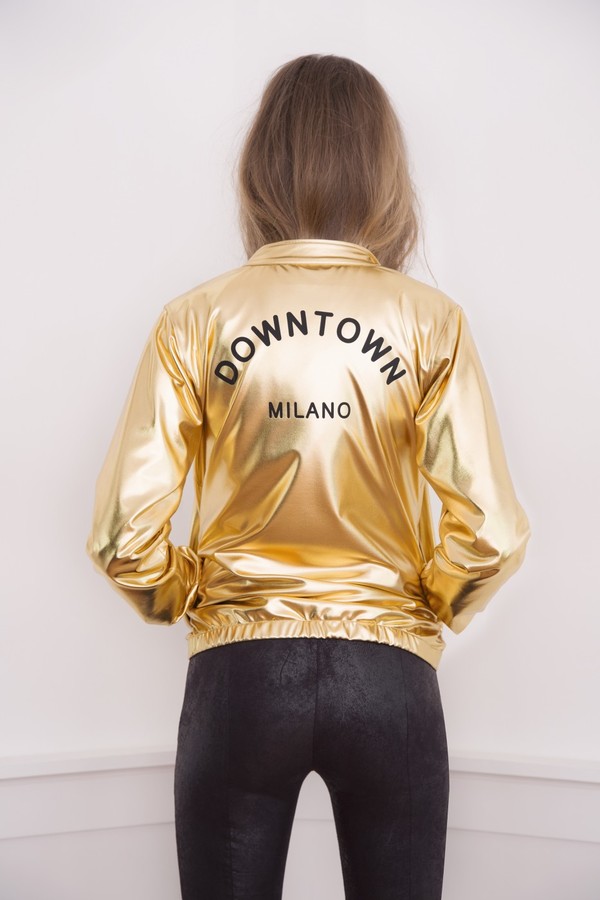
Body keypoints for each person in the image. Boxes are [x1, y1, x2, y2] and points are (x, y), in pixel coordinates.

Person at [86, 53, 531, 900]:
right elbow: (493, 535)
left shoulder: (195, 319)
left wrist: (193, 595)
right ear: (384, 172)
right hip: (390, 679)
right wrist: (420, 603)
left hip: (239, 679)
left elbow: (120, 538)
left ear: (260, 167)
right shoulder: (431, 321)